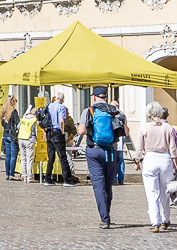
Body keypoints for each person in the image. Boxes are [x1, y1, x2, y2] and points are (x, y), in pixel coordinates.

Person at [76, 86, 125, 229]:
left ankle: (105, 218)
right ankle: (106, 213)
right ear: (106, 97)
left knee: (98, 185)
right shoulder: (115, 111)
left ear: (94, 97)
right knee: (108, 185)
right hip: (111, 151)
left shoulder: (89, 111)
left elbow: (81, 131)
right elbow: (125, 132)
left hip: (94, 151)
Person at [134, 101, 177, 231]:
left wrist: (137, 160)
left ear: (149, 114)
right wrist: (176, 163)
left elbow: (139, 148)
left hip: (150, 158)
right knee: (165, 192)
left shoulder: (144, 127)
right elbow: (173, 148)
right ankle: (165, 220)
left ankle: (155, 222)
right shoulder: (167, 128)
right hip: (165, 159)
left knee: (152, 193)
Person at [43, 91, 78, 186]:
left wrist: (45, 133)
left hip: (49, 131)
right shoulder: (62, 107)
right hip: (57, 131)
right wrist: (62, 131)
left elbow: (43, 119)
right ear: (62, 99)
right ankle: (67, 179)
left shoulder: (49, 106)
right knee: (62, 156)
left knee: (51, 157)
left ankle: (47, 178)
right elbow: (62, 120)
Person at [0, 95, 20, 181]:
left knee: (8, 156)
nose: (16, 102)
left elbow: (3, 124)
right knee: (13, 156)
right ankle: (12, 174)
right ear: (12, 102)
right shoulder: (13, 111)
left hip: (5, 135)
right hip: (12, 136)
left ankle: (7, 174)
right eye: (15, 100)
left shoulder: (3, 111)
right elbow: (18, 124)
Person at [17, 106, 38, 183]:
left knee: (23, 159)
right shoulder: (34, 120)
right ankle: (29, 177)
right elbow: (36, 132)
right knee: (29, 159)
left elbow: (18, 126)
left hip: (21, 138)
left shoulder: (24, 117)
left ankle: (24, 176)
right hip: (29, 139)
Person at [110, 98, 125, 184]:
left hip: (114, 138)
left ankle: (115, 178)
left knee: (114, 158)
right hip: (120, 138)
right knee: (120, 158)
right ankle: (121, 179)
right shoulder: (122, 114)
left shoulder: (112, 114)